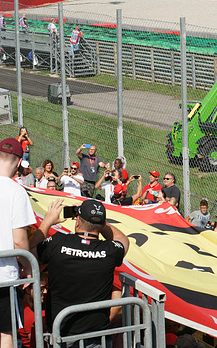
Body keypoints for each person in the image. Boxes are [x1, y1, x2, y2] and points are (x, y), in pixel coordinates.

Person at [30, 198, 129, 345]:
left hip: (61, 334)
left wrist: (47, 221)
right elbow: (123, 240)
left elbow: (30, 255)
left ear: (77, 221)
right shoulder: (110, 251)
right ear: (101, 225)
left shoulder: (57, 242)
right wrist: (99, 222)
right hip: (97, 335)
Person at [0, 138, 36, 347]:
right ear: (17, 163)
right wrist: (29, 267)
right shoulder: (16, 191)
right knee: (6, 333)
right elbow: (19, 241)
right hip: (5, 276)